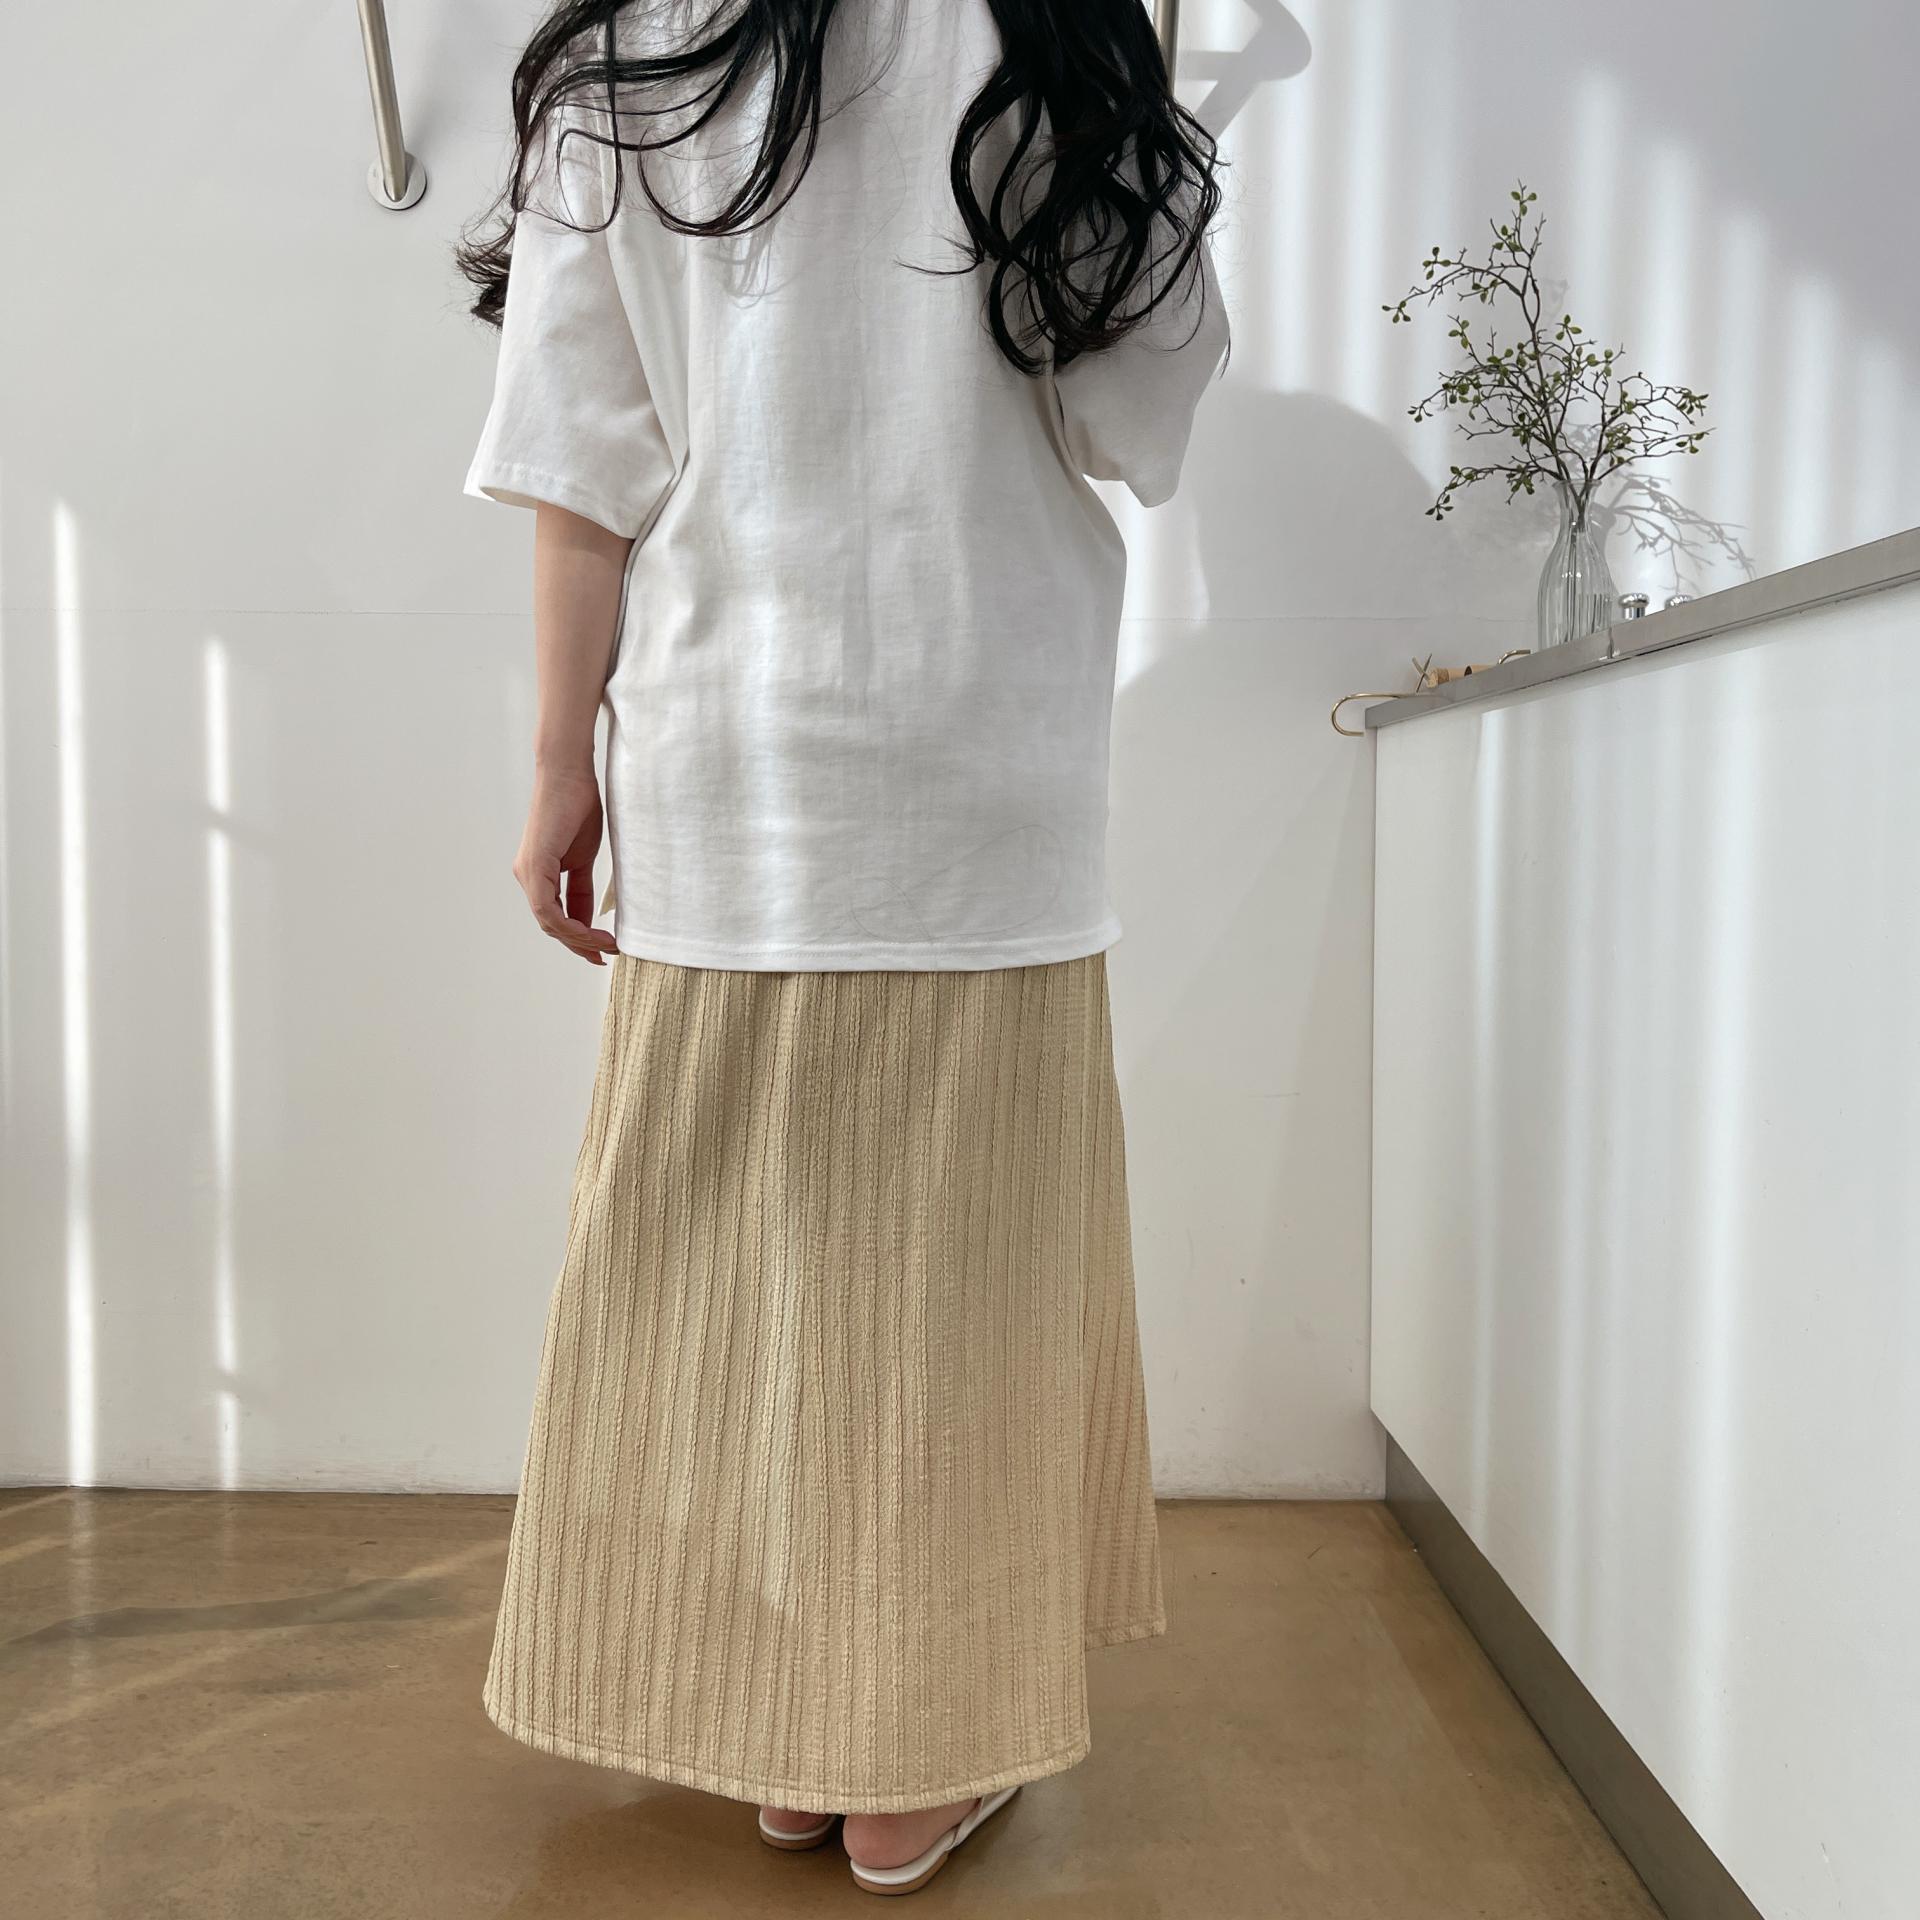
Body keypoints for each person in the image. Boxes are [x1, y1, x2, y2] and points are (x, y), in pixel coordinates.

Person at [458, 0, 1225, 1896]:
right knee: (957, 1293)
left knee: (738, 1284)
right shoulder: (1052, 42)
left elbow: (580, 469)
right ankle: (909, 1762)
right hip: (976, 786)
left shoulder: (636, 54)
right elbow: (1138, 415)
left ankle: (799, 1737)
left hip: (729, 778)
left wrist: (560, 769)